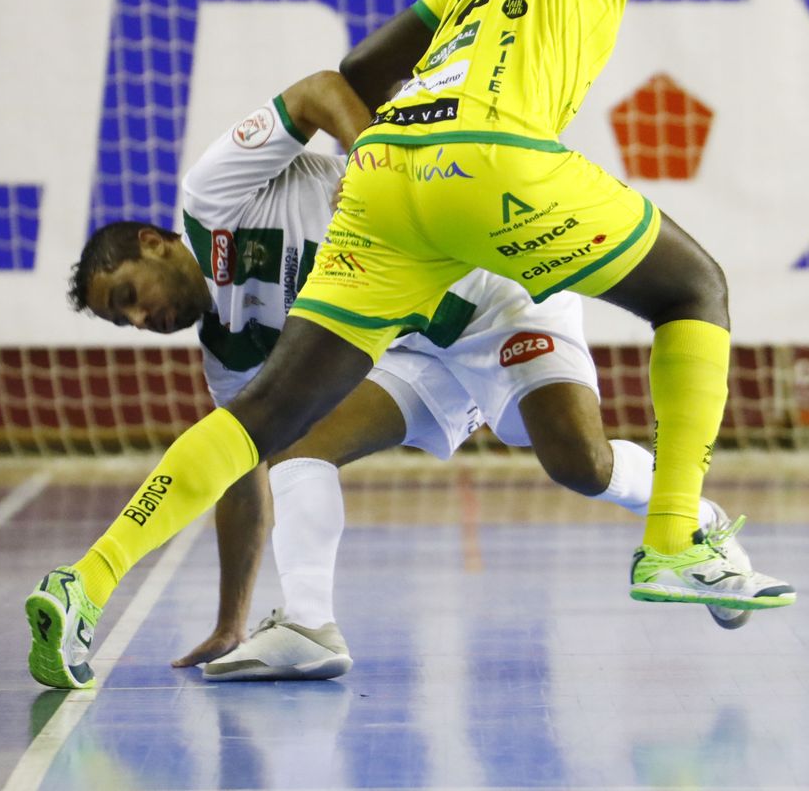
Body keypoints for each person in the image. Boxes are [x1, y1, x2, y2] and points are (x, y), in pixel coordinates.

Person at [25, 0, 794, 691]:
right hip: (492, 173)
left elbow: (356, 69)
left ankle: (84, 581)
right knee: (696, 288)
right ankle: (672, 540)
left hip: (390, 184)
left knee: (274, 423)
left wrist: (407, 132)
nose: (140, 317)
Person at [66, 72, 765, 682]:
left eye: (127, 294)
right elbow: (239, 469)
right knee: (292, 446)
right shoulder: (226, 348)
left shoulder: (211, 195)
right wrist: (230, 620)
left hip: (496, 290)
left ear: (154, 244)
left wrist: (366, 156)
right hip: (414, 351)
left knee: (580, 462)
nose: (137, 319)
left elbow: (317, 90)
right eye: (119, 319)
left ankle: (694, 519)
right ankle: (308, 628)